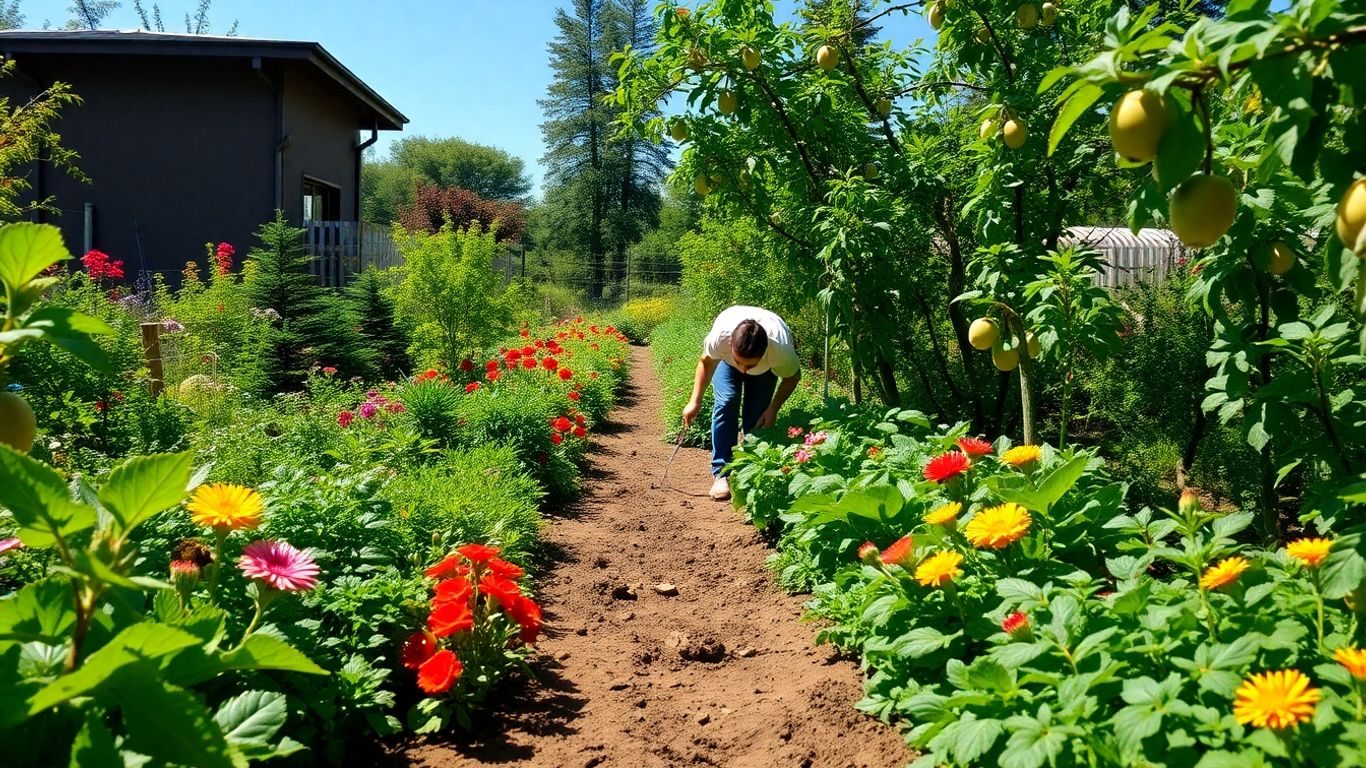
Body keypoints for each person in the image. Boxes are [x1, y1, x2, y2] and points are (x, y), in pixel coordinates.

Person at [682, 305, 801, 501]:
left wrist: (773, 409)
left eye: (750, 365)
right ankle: (722, 473)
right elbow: (706, 363)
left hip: (765, 371)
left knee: (757, 415)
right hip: (726, 362)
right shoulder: (721, 338)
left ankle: (750, 473)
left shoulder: (779, 350)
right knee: (727, 401)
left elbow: (792, 377)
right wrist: (695, 401)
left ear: (764, 354)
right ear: (730, 346)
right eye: (741, 363)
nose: (744, 370)